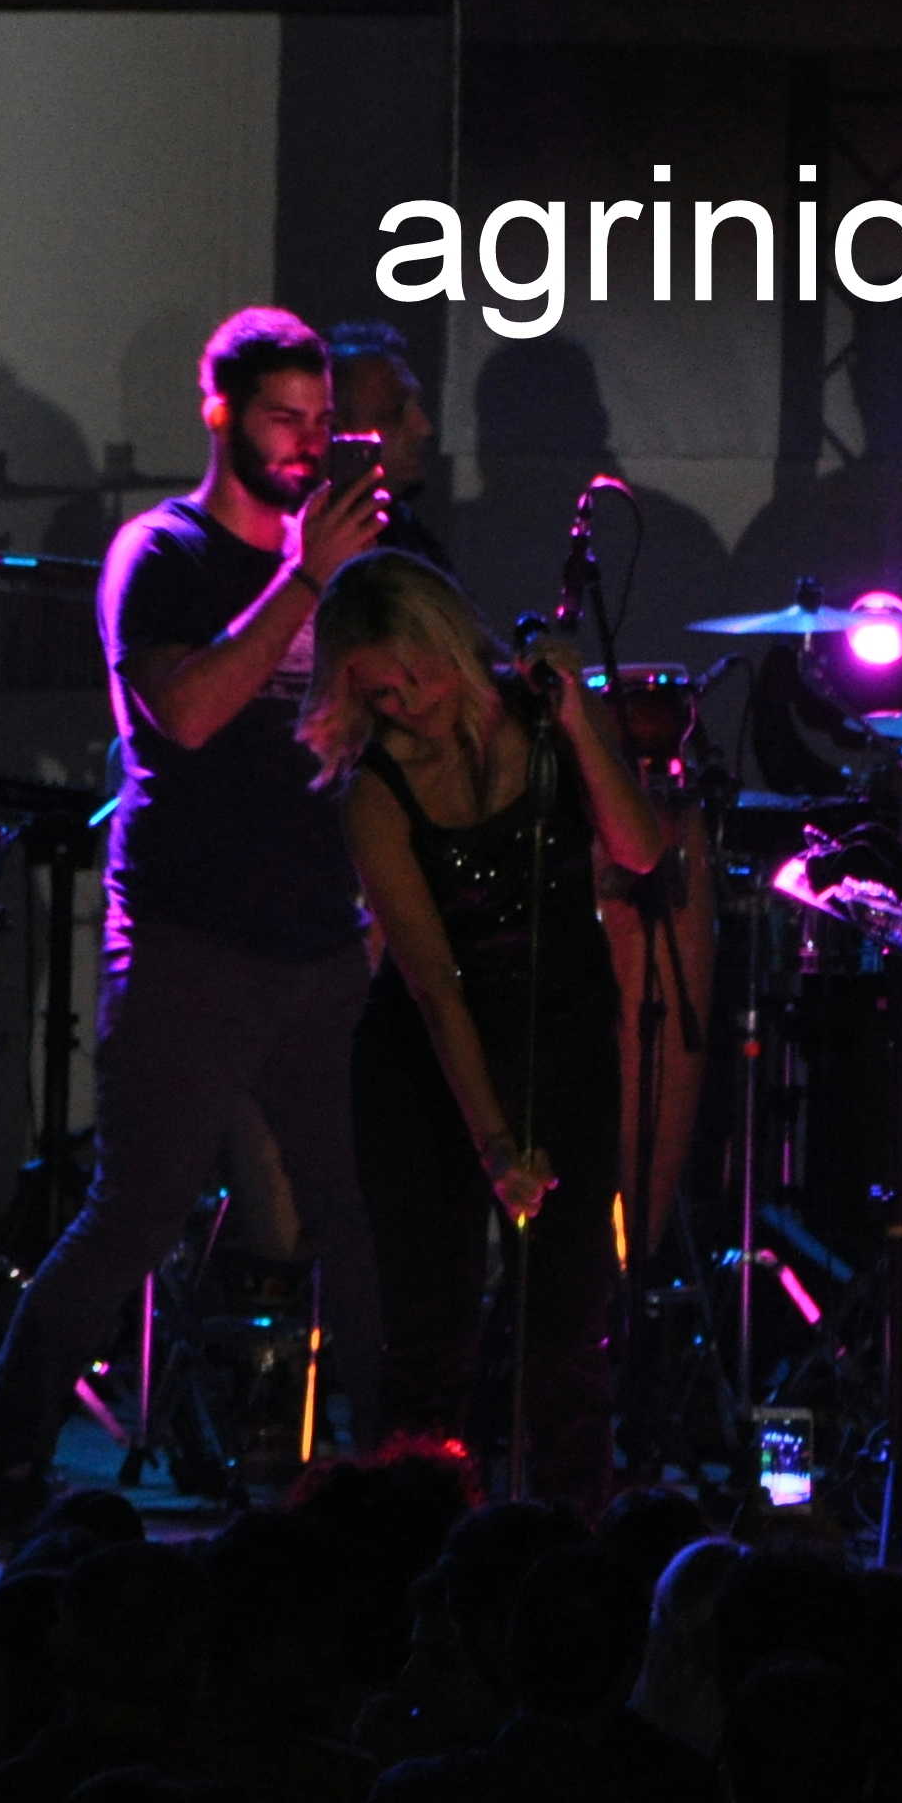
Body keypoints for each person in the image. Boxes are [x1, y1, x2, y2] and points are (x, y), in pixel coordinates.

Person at [0, 308, 387, 1538]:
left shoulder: (344, 565)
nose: (306, 444)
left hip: (318, 941)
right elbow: (184, 714)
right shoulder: (164, 553)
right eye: (282, 419)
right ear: (220, 414)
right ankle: (0, 1468)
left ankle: (404, 1470)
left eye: (321, 420)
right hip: (192, 937)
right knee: (136, 1212)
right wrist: (304, 579)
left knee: (360, 1217)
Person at [309, 549, 668, 1503]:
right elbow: (433, 986)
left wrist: (580, 720)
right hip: (429, 1069)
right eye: (377, 693)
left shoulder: (546, 725)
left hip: (564, 1040)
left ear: (450, 645)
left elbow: (640, 851)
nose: (403, 704)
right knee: (431, 1339)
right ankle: (419, 1545)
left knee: (567, 1332)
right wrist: (496, 1145)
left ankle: (567, 1549)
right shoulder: (376, 793)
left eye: (412, 677)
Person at [324, 317, 453, 570]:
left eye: (417, 406)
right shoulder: (292, 545)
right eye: (394, 413)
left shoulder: (410, 534)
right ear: (334, 428)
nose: (424, 429)